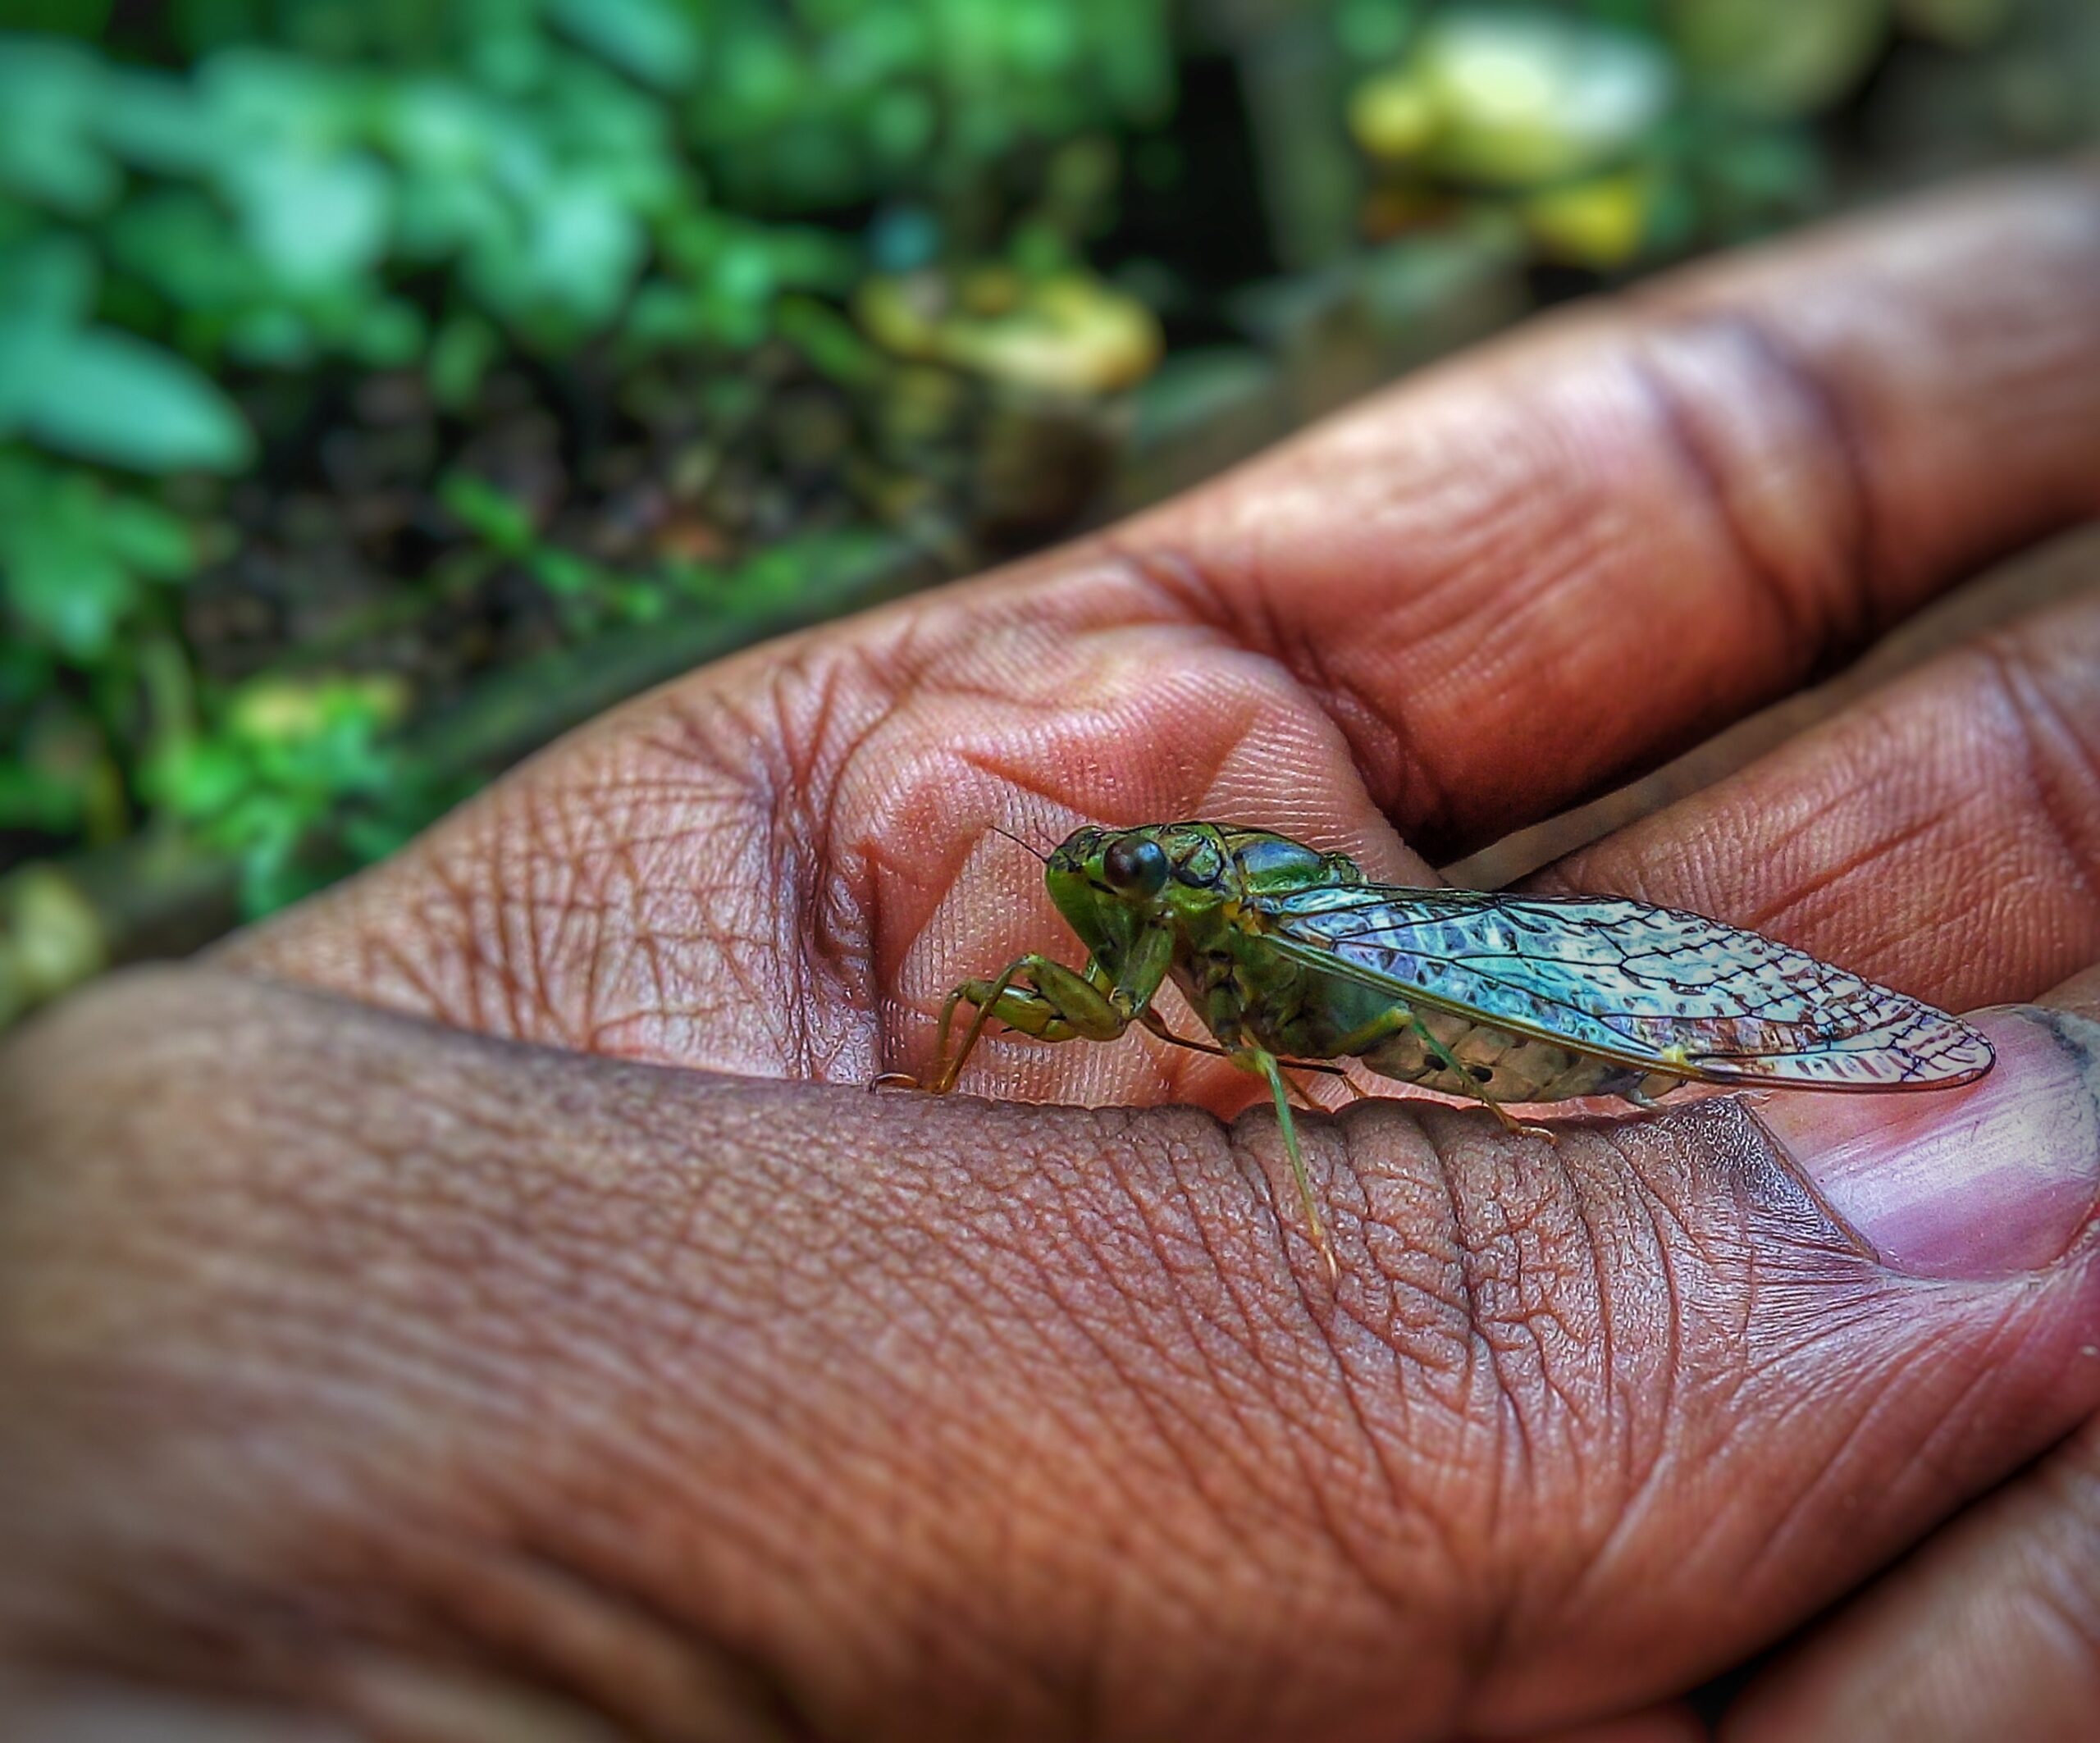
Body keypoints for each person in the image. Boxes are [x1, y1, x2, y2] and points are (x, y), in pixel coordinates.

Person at [4, 164, 2098, 1743]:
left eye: (1125, 893)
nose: (1090, 911)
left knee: (1542, 1006)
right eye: (1114, 899)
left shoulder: (1225, 939)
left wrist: (1358, 1249)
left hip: (1480, 1016)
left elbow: (1281, 1056)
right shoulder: (1129, 931)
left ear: (1174, 897)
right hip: (1407, 1004)